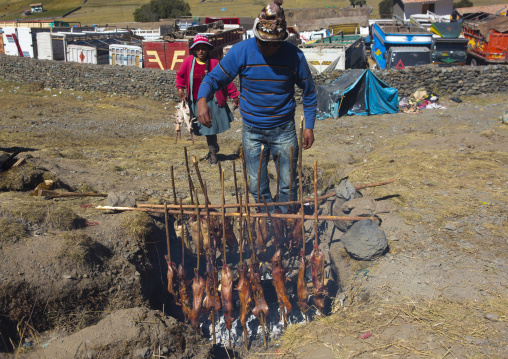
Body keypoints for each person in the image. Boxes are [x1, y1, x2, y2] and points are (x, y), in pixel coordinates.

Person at [196, 0, 317, 209]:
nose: (270, 49)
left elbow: (309, 92)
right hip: (252, 131)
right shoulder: (241, 51)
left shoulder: (294, 56)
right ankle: (268, 223)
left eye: (275, 44)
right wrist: (201, 100)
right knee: (256, 186)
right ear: (256, 36)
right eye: (264, 43)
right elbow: (213, 79)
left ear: (282, 40)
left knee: (288, 184)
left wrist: (309, 126)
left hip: (284, 130)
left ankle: (285, 223)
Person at [176, 34, 240, 164]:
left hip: (212, 101)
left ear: (208, 49)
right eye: (198, 48)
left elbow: (225, 80)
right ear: (194, 49)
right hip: (195, 100)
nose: (201, 51)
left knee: (210, 129)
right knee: (202, 129)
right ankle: (214, 148)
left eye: (203, 48)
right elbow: (180, 75)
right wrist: (180, 88)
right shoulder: (188, 62)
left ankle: (212, 153)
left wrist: (234, 95)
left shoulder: (214, 63)